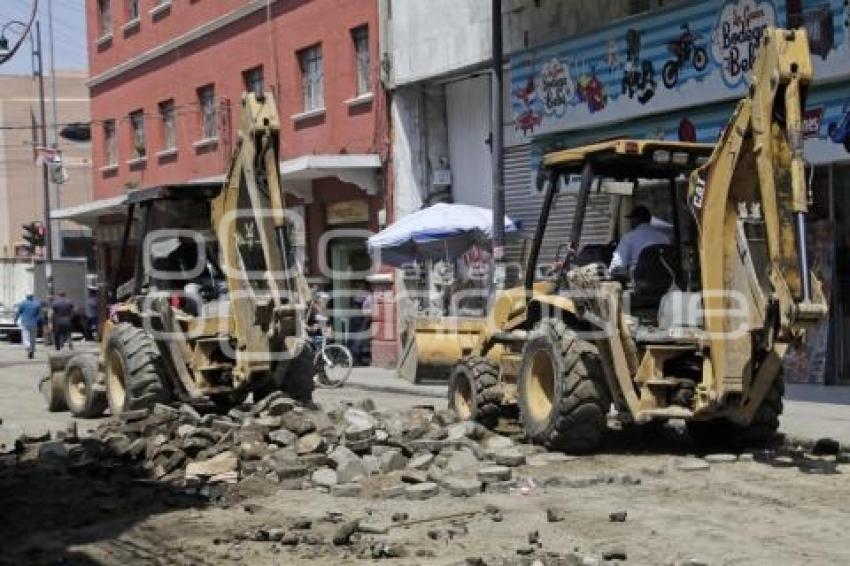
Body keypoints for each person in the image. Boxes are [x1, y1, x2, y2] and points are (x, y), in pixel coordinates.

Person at [609, 205, 671, 276]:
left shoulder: (629, 238)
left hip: (640, 281)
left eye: (632, 219)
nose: (630, 222)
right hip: (664, 281)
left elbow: (617, 265)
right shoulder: (664, 238)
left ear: (636, 219)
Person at [14, 293, 42, 359]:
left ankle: (28, 347)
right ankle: (32, 350)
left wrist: (15, 320)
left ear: (26, 297)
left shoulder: (23, 303)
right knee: (33, 338)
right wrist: (36, 320)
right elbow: (39, 315)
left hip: (25, 323)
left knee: (25, 338)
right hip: (33, 323)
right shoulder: (37, 304)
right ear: (33, 297)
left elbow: (18, 312)